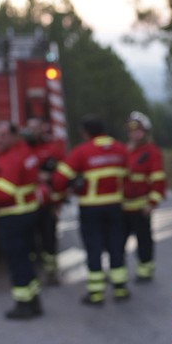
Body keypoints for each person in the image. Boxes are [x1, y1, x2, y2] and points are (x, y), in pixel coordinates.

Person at [51, 115, 129, 305]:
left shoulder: (82, 152)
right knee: (116, 246)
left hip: (91, 208)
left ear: (86, 133)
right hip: (116, 207)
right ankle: (120, 289)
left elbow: (60, 178)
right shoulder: (120, 149)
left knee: (94, 248)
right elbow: (129, 175)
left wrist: (61, 194)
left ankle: (96, 294)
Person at [0, 120, 43, 320]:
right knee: (27, 261)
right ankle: (34, 301)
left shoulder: (12, 159)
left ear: (15, 136)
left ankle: (23, 305)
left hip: (13, 218)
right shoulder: (26, 152)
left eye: (3, 135)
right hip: (27, 214)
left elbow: (2, 194)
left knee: (17, 262)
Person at [122, 111, 167, 282]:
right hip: (122, 207)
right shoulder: (125, 150)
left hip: (141, 207)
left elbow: (158, 179)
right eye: (131, 130)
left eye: (138, 130)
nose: (134, 133)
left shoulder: (151, 152)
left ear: (145, 131)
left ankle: (145, 271)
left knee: (144, 241)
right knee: (118, 242)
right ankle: (119, 271)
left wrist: (152, 202)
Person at [24, 117, 68, 285]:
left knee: (49, 238)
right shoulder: (21, 149)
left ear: (43, 129)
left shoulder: (52, 149)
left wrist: (58, 201)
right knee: (28, 240)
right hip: (26, 206)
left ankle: (51, 272)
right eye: (30, 127)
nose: (34, 131)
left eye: (37, 128)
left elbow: (65, 173)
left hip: (48, 204)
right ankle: (33, 272)